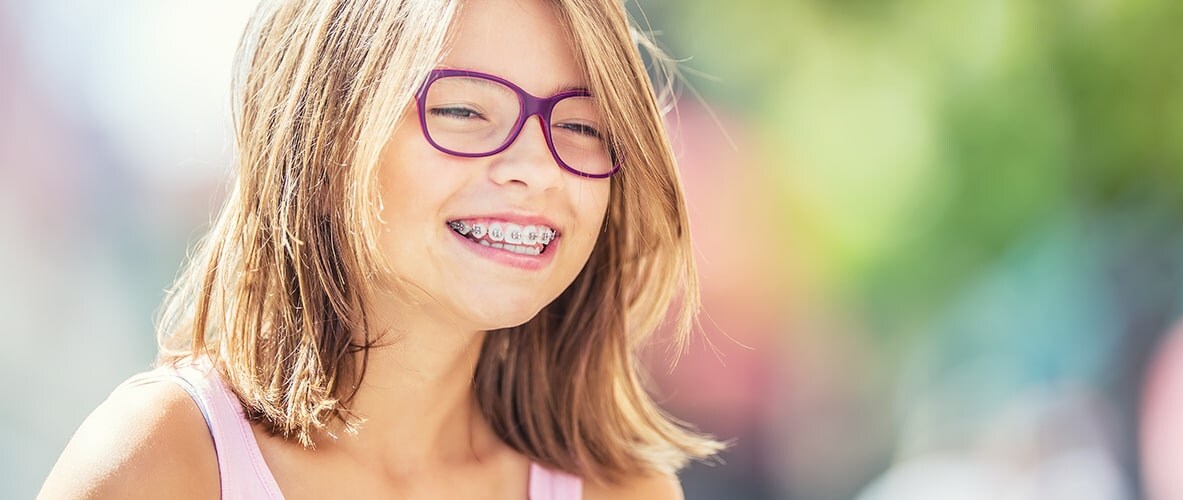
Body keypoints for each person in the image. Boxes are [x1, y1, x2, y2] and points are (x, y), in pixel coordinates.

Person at [38, 0, 722, 497]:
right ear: (329, 130)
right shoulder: (164, 462)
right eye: (462, 111)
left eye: (580, 125)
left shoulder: (619, 490)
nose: (537, 167)